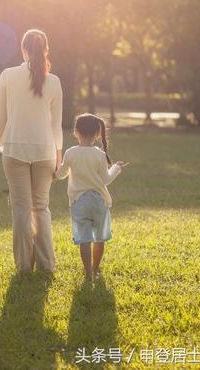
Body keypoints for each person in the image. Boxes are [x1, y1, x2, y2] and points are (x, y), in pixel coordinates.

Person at [0, 29, 63, 273]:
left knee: (21, 208)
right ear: (46, 50)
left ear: (23, 49)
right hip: (46, 151)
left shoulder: (8, 75)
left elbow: (1, 117)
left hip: (14, 150)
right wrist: (59, 156)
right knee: (41, 207)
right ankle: (47, 265)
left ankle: (23, 266)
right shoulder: (55, 81)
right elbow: (56, 124)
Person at [55, 113, 128, 280]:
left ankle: (88, 273)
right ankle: (95, 269)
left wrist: (54, 169)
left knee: (84, 239)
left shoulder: (70, 153)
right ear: (97, 134)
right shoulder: (99, 155)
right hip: (98, 202)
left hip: (78, 202)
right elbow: (106, 179)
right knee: (99, 238)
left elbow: (61, 174)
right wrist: (116, 167)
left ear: (75, 132)